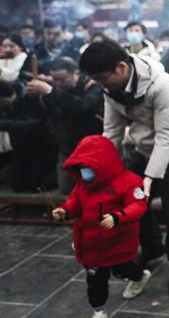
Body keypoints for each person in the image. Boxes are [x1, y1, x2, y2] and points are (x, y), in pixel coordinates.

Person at [79, 39, 169, 296]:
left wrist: (150, 178)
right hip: (143, 149)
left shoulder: (162, 86)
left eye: (101, 78)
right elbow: (112, 131)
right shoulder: (110, 88)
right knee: (131, 204)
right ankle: (154, 249)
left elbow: (168, 137)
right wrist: (104, 169)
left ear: (121, 67)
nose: (99, 84)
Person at [52, 135, 151, 318]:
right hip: (91, 243)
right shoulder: (83, 185)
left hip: (117, 241)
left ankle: (139, 276)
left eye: (88, 167)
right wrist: (65, 211)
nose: (85, 172)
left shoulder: (129, 181)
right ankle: (99, 310)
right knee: (96, 280)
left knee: (123, 268)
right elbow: (74, 202)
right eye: (81, 168)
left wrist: (118, 217)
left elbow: (138, 204)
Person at [25, 57, 104, 194]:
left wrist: (51, 92)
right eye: (55, 79)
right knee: (66, 188)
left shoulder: (92, 87)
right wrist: (33, 98)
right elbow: (40, 115)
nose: (59, 83)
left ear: (76, 73)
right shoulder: (55, 90)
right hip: (66, 148)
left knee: (90, 187)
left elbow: (83, 106)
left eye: (63, 79)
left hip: (89, 151)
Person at [0, 80, 55, 192]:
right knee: (18, 186)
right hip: (20, 149)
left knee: (35, 186)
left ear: (13, 94)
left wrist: (3, 124)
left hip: (41, 148)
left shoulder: (30, 99)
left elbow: (34, 125)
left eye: (4, 103)